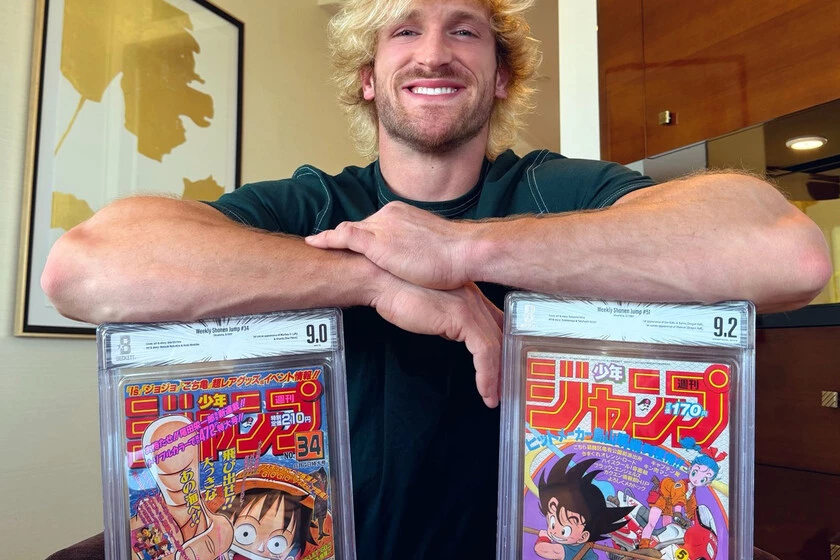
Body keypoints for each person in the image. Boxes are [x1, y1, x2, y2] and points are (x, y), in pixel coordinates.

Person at [41, 0, 830, 557]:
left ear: (500, 77)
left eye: (464, 29)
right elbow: (85, 269)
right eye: (404, 30)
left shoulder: (558, 191)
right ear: (368, 77)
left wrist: (459, 253)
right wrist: (377, 281)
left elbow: (786, 256)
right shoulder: (314, 206)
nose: (433, 52)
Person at [534, 455, 632, 560]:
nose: (553, 531)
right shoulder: (578, 544)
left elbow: (541, 549)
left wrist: (544, 537)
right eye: (552, 523)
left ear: (583, 537)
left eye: (564, 531)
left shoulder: (568, 550)